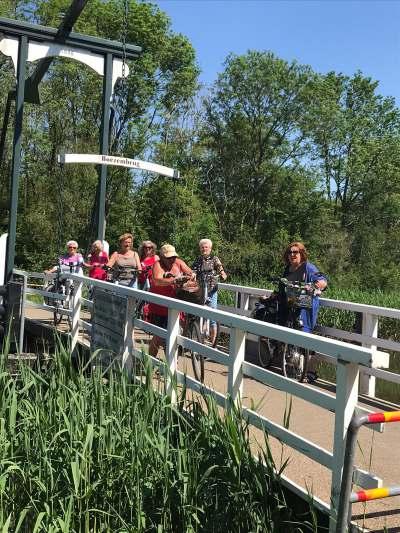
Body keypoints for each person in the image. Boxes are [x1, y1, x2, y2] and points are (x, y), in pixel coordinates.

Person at [278, 241, 327, 382]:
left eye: (295, 252)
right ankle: (295, 367)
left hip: (306, 307)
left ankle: (309, 371)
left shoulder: (308, 268)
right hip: (290, 305)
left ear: (302, 253)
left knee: (305, 336)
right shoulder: (288, 269)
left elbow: (322, 280)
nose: (292, 254)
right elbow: (283, 286)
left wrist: (318, 285)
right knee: (290, 333)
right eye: (290, 252)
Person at [148, 244, 194, 357]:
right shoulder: (157, 264)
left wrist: (192, 275)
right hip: (160, 306)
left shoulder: (178, 262)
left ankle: (172, 366)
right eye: (169, 257)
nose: (172, 259)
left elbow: (189, 270)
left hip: (174, 304)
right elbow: (157, 280)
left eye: (173, 257)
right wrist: (173, 281)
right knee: (158, 337)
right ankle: (149, 362)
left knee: (175, 335)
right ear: (162, 257)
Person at [191, 238, 227, 345]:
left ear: (210, 248)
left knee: (212, 313)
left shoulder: (214, 258)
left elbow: (220, 267)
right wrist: (193, 273)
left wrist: (222, 273)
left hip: (212, 288)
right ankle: (198, 334)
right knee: (200, 310)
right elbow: (193, 269)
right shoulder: (198, 259)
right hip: (201, 288)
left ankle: (213, 342)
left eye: (206, 247)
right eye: (202, 247)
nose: (204, 249)